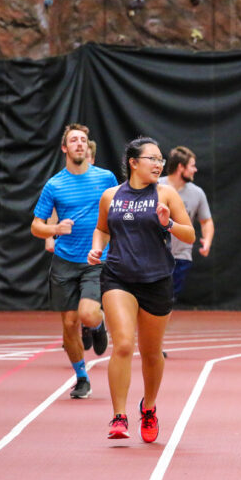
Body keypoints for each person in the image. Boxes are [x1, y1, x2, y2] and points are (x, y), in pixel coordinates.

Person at [88, 137, 194, 442]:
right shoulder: (111, 196)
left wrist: (169, 223)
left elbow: (188, 234)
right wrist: (97, 249)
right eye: (152, 159)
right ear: (134, 162)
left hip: (157, 279)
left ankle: (148, 408)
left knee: (150, 353)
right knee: (122, 344)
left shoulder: (167, 194)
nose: (159, 164)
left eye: (161, 159)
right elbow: (102, 229)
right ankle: (118, 416)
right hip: (118, 277)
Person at [31, 124, 117, 399]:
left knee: (88, 313)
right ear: (65, 148)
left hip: (96, 258)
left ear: (88, 146)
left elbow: (119, 210)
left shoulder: (105, 178)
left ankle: (97, 324)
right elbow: (36, 226)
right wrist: (55, 230)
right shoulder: (54, 184)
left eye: (83, 140)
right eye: (73, 140)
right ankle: (81, 377)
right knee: (69, 324)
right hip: (64, 261)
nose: (79, 144)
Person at [159, 146, 214, 302]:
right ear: (180, 167)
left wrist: (207, 241)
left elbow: (206, 220)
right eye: (192, 166)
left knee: (168, 299)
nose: (195, 170)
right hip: (155, 255)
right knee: (154, 298)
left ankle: (159, 326)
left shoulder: (197, 193)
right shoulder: (155, 186)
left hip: (181, 256)